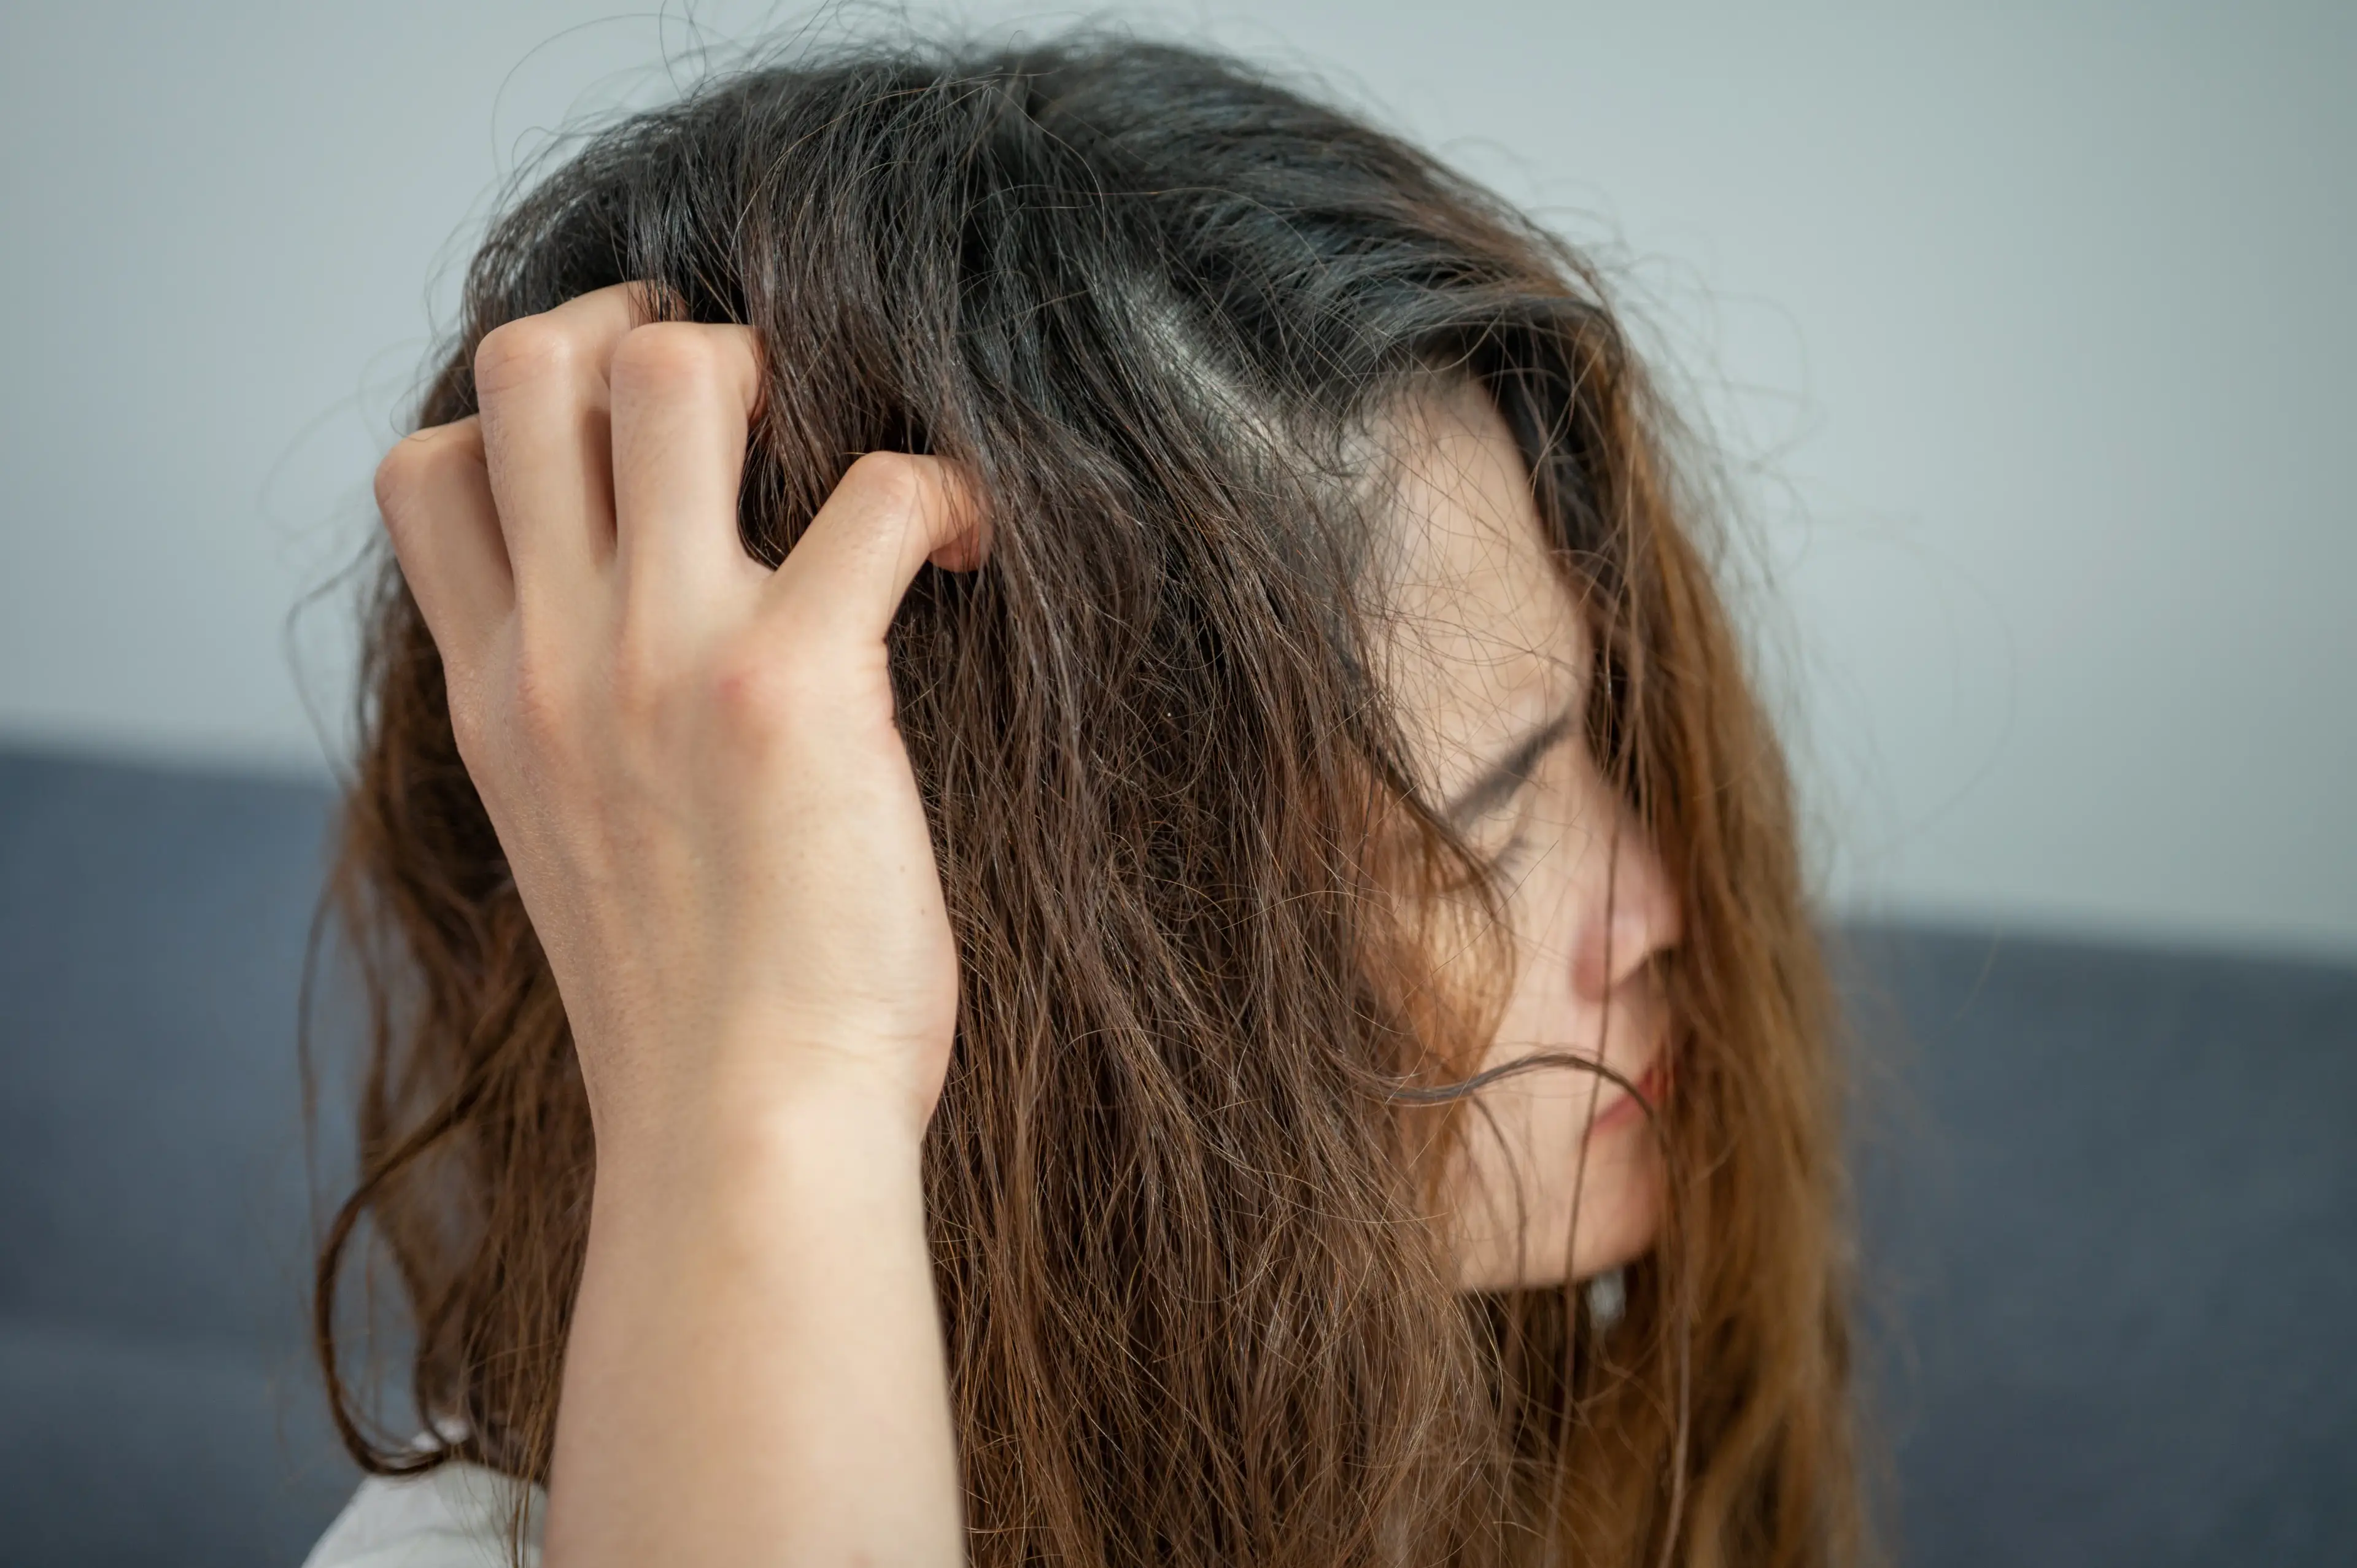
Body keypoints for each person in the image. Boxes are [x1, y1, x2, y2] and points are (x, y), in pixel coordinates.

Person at [306, 29, 1860, 1568]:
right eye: (1482, 831)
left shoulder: (1449, 1441)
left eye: (1598, 738)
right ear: (1008, 980)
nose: (1664, 902)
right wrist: (774, 1077)